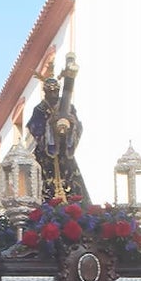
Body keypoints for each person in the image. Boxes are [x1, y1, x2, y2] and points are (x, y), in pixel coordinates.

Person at [27, 73, 87, 203]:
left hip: (65, 155)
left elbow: (78, 127)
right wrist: (50, 124)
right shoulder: (39, 109)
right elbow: (34, 128)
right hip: (45, 158)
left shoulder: (69, 107)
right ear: (45, 92)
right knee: (45, 188)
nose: (53, 94)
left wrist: (72, 125)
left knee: (72, 186)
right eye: (50, 91)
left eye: (55, 91)